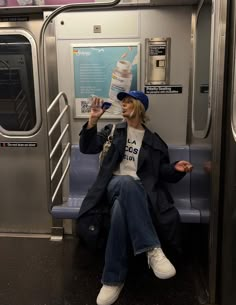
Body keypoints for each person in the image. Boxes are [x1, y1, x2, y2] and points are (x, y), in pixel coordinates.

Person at [78, 91, 193, 305]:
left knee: (121, 209)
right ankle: (152, 249)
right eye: (123, 102)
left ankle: (113, 280)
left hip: (141, 195)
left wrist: (176, 169)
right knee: (126, 182)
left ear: (140, 107)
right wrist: (92, 121)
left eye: (129, 101)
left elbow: (161, 173)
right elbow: (87, 148)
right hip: (112, 187)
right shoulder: (112, 130)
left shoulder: (154, 142)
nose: (124, 105)